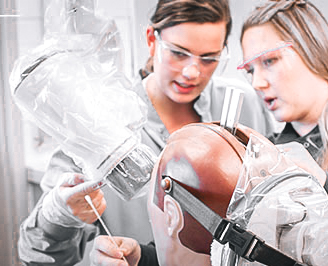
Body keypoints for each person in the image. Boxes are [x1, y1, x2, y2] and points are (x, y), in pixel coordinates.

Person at [91, 0, 328, 265]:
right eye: (250, 70)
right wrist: (144, 256)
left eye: (270, 61)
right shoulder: (268, 155)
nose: (258, 83)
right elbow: (229, 246)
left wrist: (325, 183)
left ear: (314, 50)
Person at [17, 0, 276, 265]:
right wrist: (58, 216)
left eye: (209, 58)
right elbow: (36, 255)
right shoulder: (97, 126)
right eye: (178, 53)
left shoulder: (245, 105)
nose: (192, 72)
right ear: (152, 40)